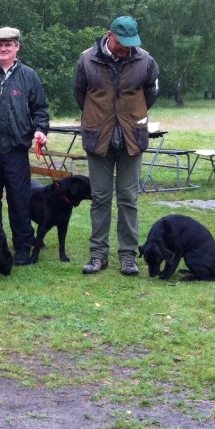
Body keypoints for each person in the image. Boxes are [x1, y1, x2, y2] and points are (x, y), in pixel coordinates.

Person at [73, 16, 160, 276]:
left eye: (131, 44)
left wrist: (130, 116)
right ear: (109, 35)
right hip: (97, 137)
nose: (127, 49)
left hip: (132, 137)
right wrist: (99, 118)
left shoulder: (145, 60)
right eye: (123, 44)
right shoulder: (86, 60)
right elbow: (80, 94)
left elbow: (150, 93)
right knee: (99, 198)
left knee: (128, 198)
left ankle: (128, 256)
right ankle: (98, 254)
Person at [0, 26, 51, 266]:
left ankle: (22, 246)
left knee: (19, 200)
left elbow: (40, 109)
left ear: (17, 47)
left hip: (16, 150)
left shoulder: (29, 75)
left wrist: (40, 130)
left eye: (8, 44)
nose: (3, 48)